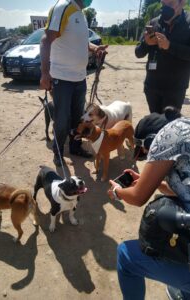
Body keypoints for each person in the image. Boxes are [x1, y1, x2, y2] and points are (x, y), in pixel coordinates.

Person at [107, 108, 190, 300]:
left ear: (152, 141)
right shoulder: (185, 128)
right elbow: (183, 189)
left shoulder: (166, 136)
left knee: (126, 256)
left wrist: (118, 192)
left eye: (145, 151)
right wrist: (154, 183)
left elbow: (137, 198)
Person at [40, 0, 108, 167]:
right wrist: (44, 73)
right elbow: (46, 40)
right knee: (62, 120)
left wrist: (94, 49)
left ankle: (75, 147)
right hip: (62, 79)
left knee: (78, 118)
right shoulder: (63, 7)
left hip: (79, 78)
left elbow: (80, 43)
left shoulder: (80, 13)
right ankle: (58, 153)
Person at [135, 0, 190, 114]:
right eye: (163, 4)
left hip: (175, 89)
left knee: (168, 127)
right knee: (155, 123)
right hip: (152, 87)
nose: (165, 8)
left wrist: (169, 46)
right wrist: (146, 43)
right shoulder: (154, 23)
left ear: (182, 3)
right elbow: (138, 53)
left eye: (170, 4)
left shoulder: (188, 23)